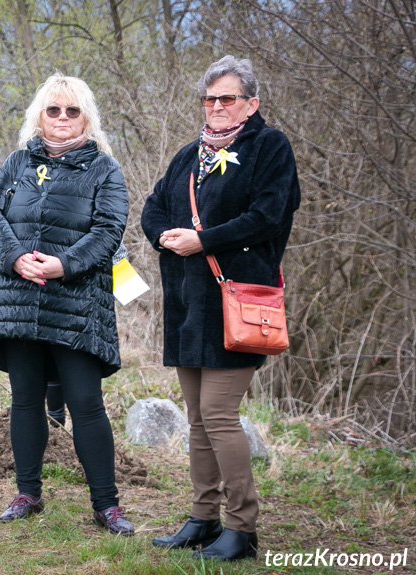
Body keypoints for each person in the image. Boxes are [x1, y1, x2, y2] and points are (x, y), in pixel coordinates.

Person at [141, 56, 301, 561]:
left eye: (226, 98)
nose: (215, 107)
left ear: (250, 103)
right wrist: (165, 237)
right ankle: (203, 518)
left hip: (238, 303)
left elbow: (268, 216)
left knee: (218, 414)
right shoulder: (191, 153)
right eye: (209, 98)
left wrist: (203, 240)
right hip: (188, 303)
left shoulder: (269, 147)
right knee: (196, 418)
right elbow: (154, 205)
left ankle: (242, 528)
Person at [0, 74, 133, 535]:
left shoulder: (105, 169)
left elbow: (108, 230)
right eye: (53, 110)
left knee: (85, 403)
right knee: (25, 400)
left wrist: (63, 265)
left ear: (87, 118)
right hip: (16, 298)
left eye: (72, 111)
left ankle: (107, 505)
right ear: (39, 115)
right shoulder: (17, 162)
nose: (62, 119)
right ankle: (27, 493)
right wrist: (15, 256)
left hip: (76, 304)